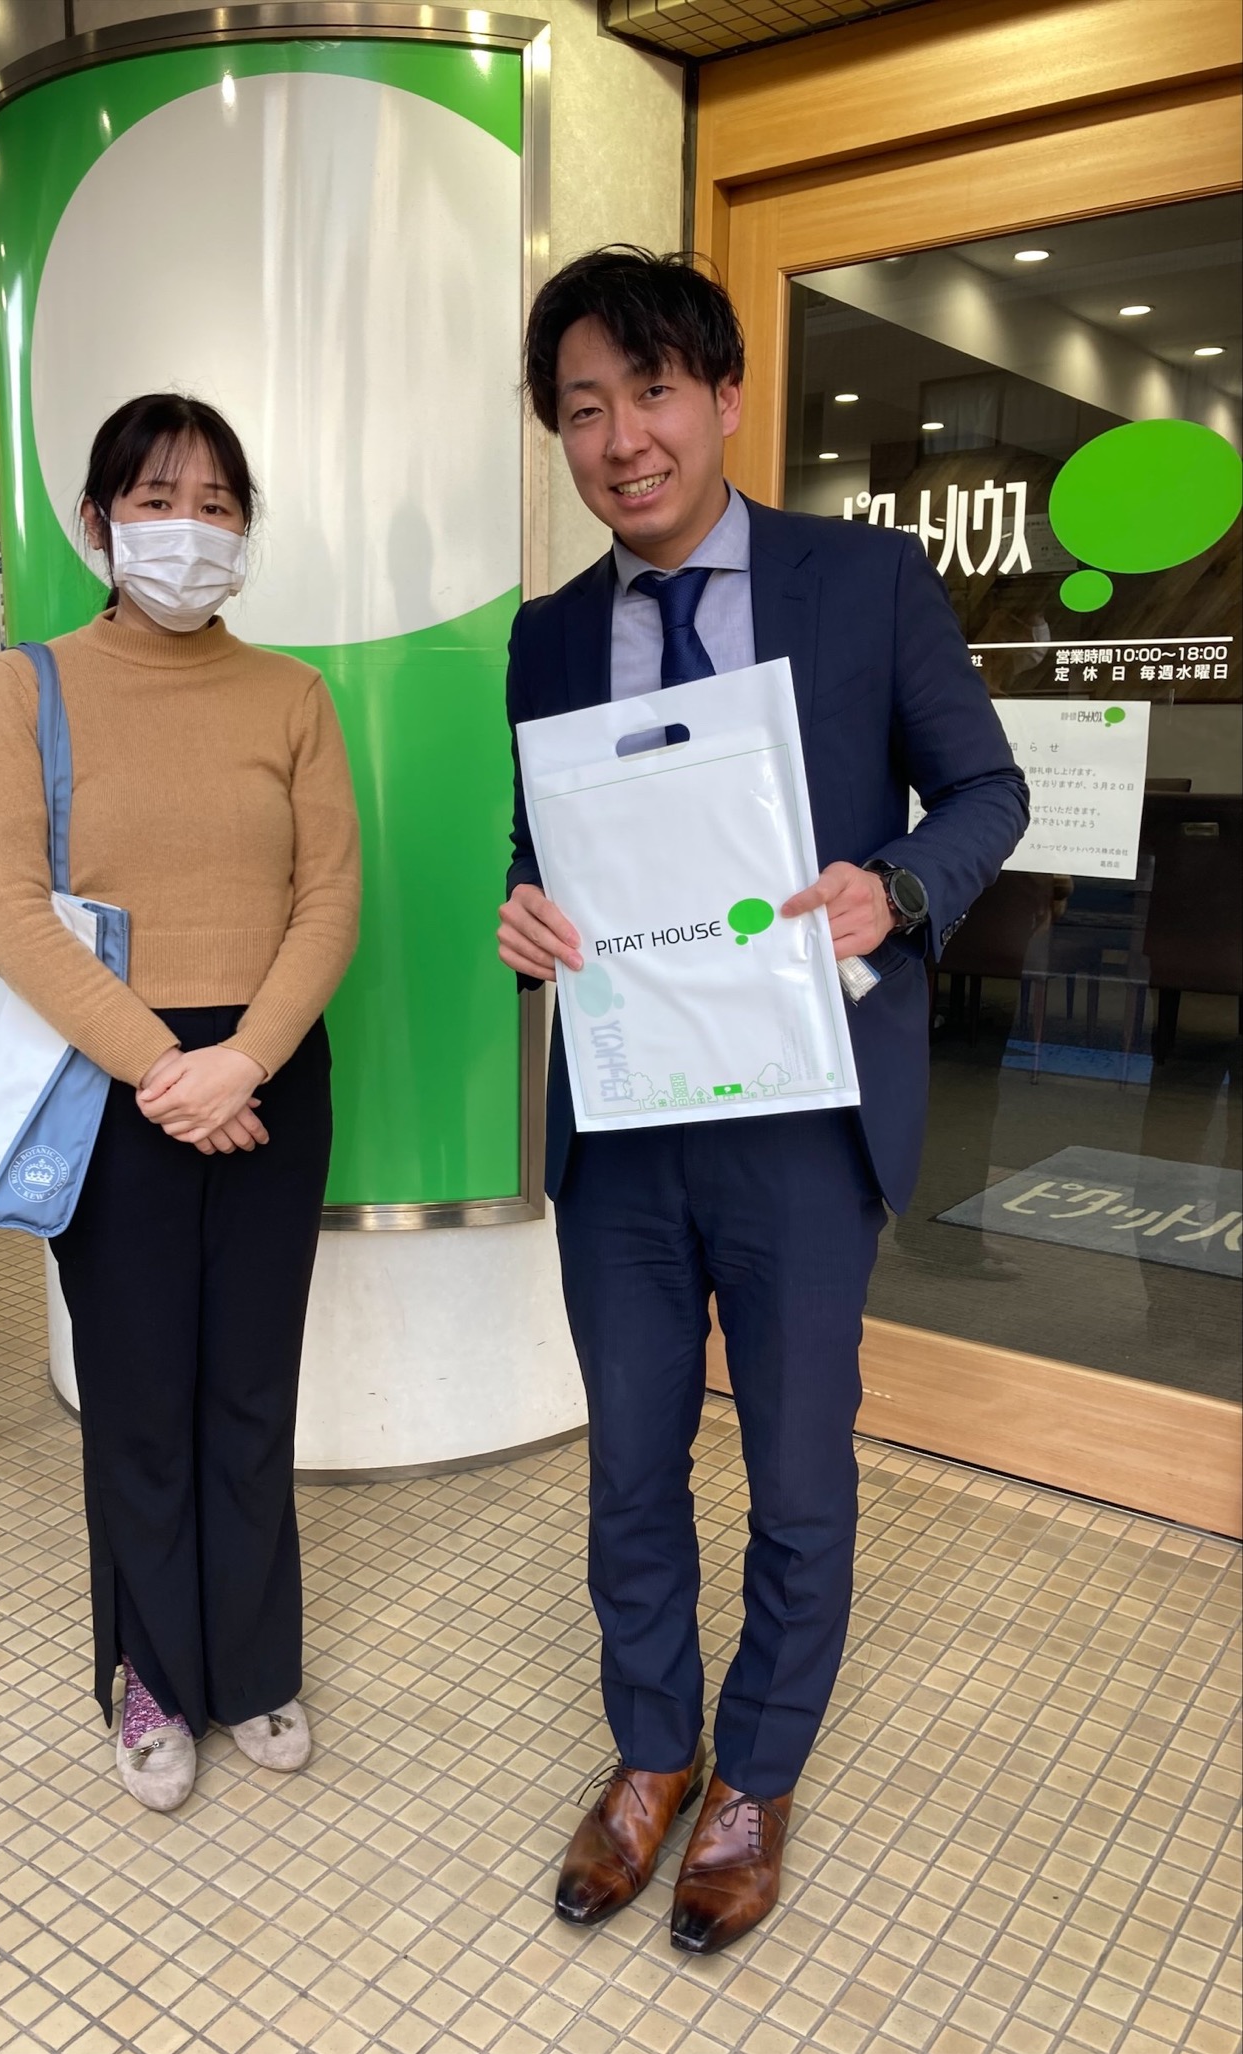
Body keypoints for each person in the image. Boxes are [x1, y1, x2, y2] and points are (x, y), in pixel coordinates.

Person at [497, 250, 1028, 1952]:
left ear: (725, 395)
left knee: (797, 1472)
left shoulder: (861, 580)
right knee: (629, 1466)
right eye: (584, 409)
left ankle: (760, 1774)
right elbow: (544, 847)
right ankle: (656, 1751)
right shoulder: (547, 636)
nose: (623, 440)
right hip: (625, 1122)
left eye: (652, 393)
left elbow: (988, 789)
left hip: (803, 1117)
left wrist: (897, 884)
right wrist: (524, 915)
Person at [0, 393, 361, 1811]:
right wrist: (161, 1066)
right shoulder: (26, 688)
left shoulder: (292, 697)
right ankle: (150, 1678)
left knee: (251, 1388)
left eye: (215, 505)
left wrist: (244, 1058)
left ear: (245, 530)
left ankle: (252, 1667)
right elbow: (12, 908)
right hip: (109, 1076)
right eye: (154, 501)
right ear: (97, 522)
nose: (186, 530)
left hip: (268, 1072)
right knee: (140, 1401)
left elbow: (329, 898)